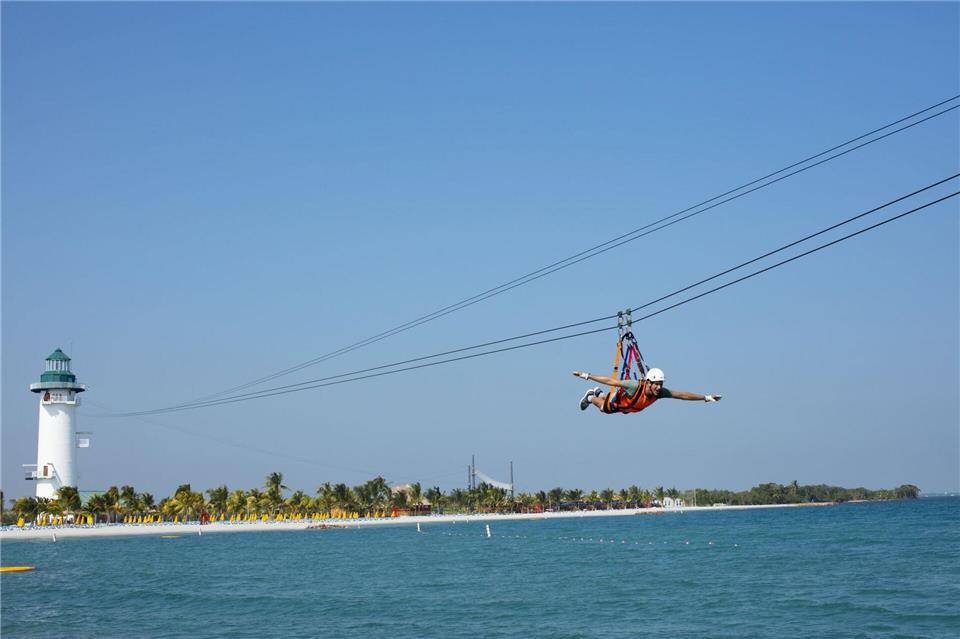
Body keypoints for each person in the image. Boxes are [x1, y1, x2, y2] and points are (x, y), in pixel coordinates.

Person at [573, 368, 721, 414]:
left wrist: (706, 397)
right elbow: (611, 381)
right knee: (605, 409)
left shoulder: (660, 393)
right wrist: (588, 376)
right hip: (622, 402)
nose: (658, 387)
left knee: (624, 410)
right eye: (655, 384)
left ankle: (600, 394)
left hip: (630, 407)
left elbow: (682, 395)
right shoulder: (634, 385)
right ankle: (592, 396)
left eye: (660, 384)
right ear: (648, 382)